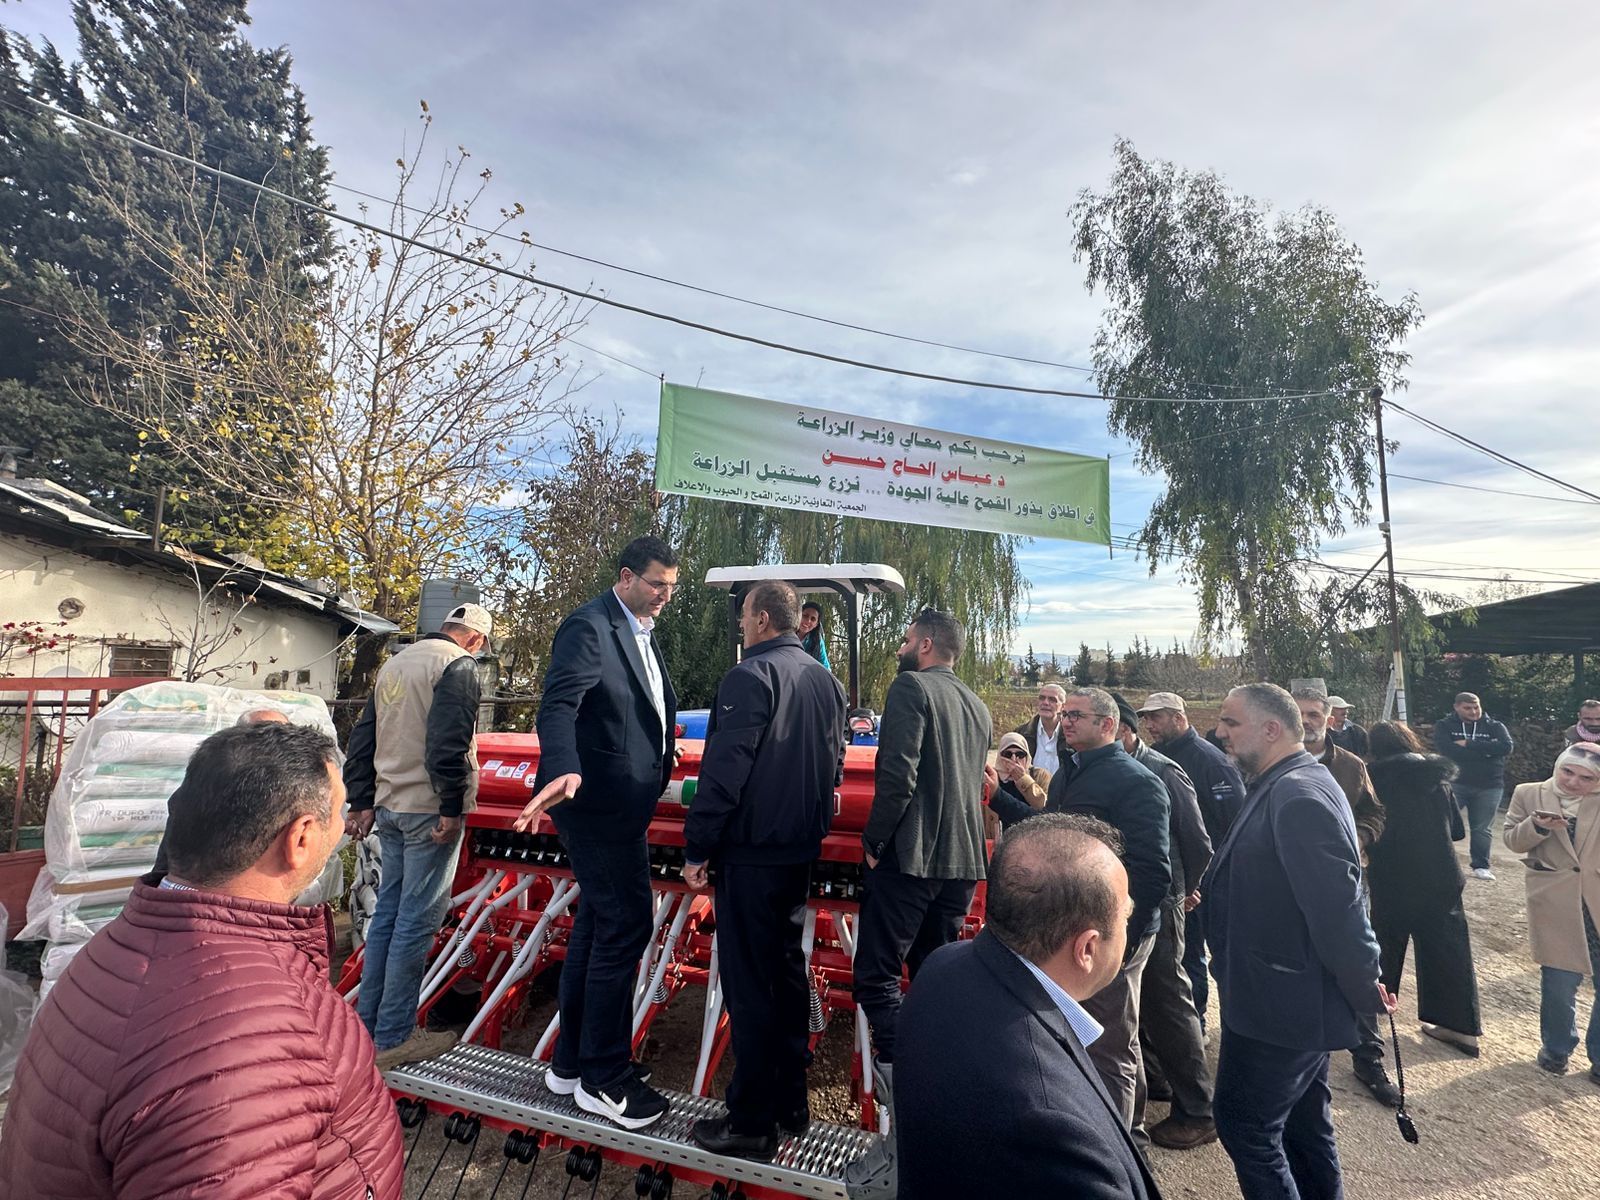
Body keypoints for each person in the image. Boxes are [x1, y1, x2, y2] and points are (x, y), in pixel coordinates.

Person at [0, 723, 403, 1198]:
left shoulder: (120, 948)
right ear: (300, 838)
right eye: (336, 814)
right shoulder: (255, 1033)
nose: (344, 828)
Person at [893, 814, 1162, 1200]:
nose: (1128, 925)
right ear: (1086, 948)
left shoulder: (941, 966)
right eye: (1125, 916)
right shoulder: (1054, 1128)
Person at [680, 581, 848, 1160]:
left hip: (751, 854)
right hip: (799, 851)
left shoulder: (748, 678)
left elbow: (725, 774)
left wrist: (697, 848)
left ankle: (750, 1122)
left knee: (750, 990)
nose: (742, 626)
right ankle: (790, 1103)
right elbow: (835, 767)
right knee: (787, 974)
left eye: (745, 615)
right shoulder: (827, 683)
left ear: (758, 618)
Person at [515, 536, 680, 1130]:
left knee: (595, 925)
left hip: (625, 804)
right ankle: (603, 1077)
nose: (665, 595)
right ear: (627, 575)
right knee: (625, 924)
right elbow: (559, 705)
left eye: (671, 586)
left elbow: (636, 707)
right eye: (657, 583)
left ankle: (569, 1063)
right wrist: (563, 765)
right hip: (597, 805)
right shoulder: (589, 626)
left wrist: (664, 748)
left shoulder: (639, 631)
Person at [1208, 683, 1393, 1200]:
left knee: (1246, 1126)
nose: (1220, 732)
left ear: (1271, 729)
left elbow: (1340, 911)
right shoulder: (1283, 779)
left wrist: (1365, 989)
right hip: (1283, 1001)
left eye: (1230, 722)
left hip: (1282, 1007)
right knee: (1304, 1127)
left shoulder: (1299, 795)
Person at [847, 608, 991, 1196]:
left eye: (908, 639)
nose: (903, 648)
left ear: (925, 644)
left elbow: (897, 773)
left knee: (874, 976)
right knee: (931, 975)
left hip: (911, 858)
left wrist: (875, 841)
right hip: (961, 863)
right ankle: (943, 1075)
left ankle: (908, 1081)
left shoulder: (910, 687)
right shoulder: (977, 706)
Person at [344, 601, 491, 1069]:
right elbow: (448, 741)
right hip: (430, 811)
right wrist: (450, 805)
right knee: (416, 921)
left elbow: (363, 736)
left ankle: (368, 1026)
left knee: (387, 915)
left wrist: (361, 800)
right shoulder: (458, 665)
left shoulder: (395, 663)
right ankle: (395, 1036)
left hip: (389, 805)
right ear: (476, 639)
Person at [1045, 686, 1171, 1133]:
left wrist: (1121, 938)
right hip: (1073, 926)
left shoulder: (1138, 782)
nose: (1067, 722)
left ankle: (1123, 1142)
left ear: (1108, 725)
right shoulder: (1067, 774)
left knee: (1111, 1039)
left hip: (1113, 933)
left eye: (1077, 715)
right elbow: (1048, 835)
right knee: (1081, 1030)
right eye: (1066, 715)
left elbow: (1154, 873)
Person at [1113, 695, 1216, 1150]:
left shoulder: (1162, 771)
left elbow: (1198, 840)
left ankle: (1199, 1109)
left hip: (1163, 899)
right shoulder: (1114, 767)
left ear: (1121, 728)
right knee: (1147, 999)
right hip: (1132, 899)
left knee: (1169, 1000)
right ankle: (1160, 1081)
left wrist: (1187, 890)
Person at [1291, 686, 1395, 1107]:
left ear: (1330, 718)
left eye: (1316, 713)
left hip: (1347, 881)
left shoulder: (1350, 766)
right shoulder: (1266, 764)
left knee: (1357, 961)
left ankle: (1369, 1056)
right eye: (1300, 713)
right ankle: (1299, 1057)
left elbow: (1374, 812)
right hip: (1288, 882)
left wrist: (1359, 838)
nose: (1310, 720)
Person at [1365, 721, 1482, 1056]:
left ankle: (1369, 1019)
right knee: (1449, 950)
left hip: (1392, 875)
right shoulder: (1437, 778)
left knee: (1381, 947)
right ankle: (1459, 1029)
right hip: (1441, 875)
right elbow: (1457, 831)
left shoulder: (1372, 779)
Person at [1137, 690, 1244, 1026]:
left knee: (1211, 956)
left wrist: (1201, 880)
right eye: (1147, 718)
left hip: (1211, 879)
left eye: (1156, 717)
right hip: (1181, 880)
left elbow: (1235, 821)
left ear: (1178, 717)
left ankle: (1211, 1023)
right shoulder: (1152, 759)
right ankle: (1192, 1020)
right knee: (1186, 953)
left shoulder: (1208, 759)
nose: (1149, 725)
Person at [1503, 742, 1600, 1082]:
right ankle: (1557, 1050)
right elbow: (1512, 841)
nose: (1573, 782)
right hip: (1556, 902)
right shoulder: (1528, 793)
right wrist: (1538, 826)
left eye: (1586, 778)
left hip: (1597, 902)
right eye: (1568, 771)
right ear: (1557, 765)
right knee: (1558, 985)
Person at [149, 707, 291, 881]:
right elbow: (170, 863)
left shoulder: (298, 791)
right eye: (264, 736)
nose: (278, 747)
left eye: (284, 737)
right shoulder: (203, 791)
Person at [1433, 691, 1514, 881]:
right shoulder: (1445, 726)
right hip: (1455, 783)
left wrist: (1468, 744)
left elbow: (1506, 747)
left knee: (1482, 828)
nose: (1473, 711)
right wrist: (1487, 751)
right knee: (1444, 822)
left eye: (1476, 706)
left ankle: (1481, 865)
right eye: (1467, 708)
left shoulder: (1495, 726)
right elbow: (1447, 750)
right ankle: (1439, 861)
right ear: (1456, 707)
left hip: (1490, 785)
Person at [982, 730, 1051, 830]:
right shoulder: (991, 778)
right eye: (1007, 754)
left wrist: (1023, 780)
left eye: (1020, 754)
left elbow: (1045, 808)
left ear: (1027, 757)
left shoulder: (1040, 775)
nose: (1014, 759)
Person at [1013, 682, 1070, 776]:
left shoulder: (1072, 736)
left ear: (1062, 707)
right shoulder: (1020, 734)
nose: (1045, 703)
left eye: (1052, 700)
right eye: (1042, 698)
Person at [798, 599, 832, 668]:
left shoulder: (817, 641)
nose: (808, 621)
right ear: (798, 615)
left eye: (813, 619)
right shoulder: (784, 634)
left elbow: (825, 667)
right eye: (805, 616)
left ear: (816, 624)